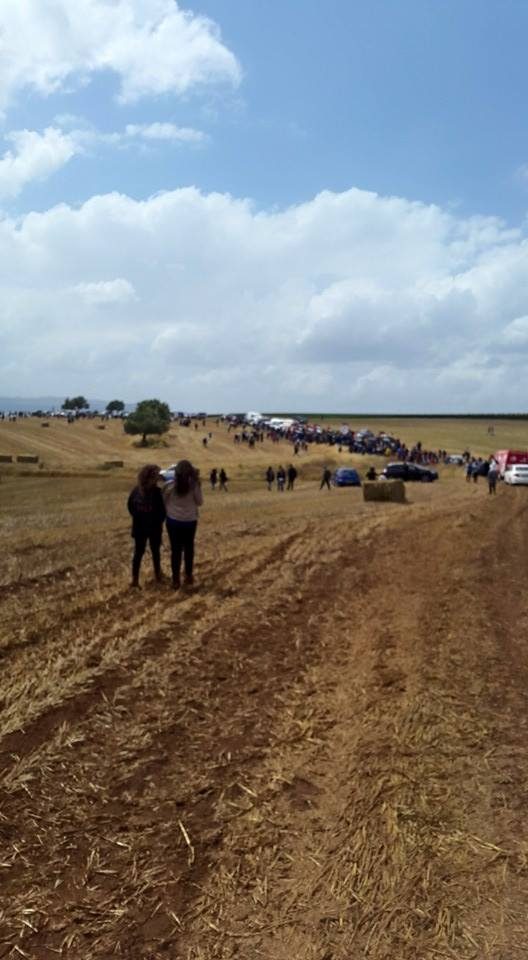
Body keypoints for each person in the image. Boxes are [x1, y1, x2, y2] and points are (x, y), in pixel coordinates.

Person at [163, 460, 203, 589]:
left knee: (176, 550)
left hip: (173, 521)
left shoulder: (169, 485)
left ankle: (175, 580)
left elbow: (163, 501)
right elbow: (200, 502)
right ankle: (188, 576)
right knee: (189, 548)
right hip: (190, 521)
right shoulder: (194, 486)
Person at [127, 464, 166, 588]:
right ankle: (156, 575)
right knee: (152, 552)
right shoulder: (157, 492)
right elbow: (163, 511)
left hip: (140, 527)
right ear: (151, 477)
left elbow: (130, 507)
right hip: (152, 528)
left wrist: (138, 517)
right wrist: (158, 521)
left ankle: (136, 579)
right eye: (157, 476)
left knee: (140, 553)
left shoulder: (135, 491)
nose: (158, 478)